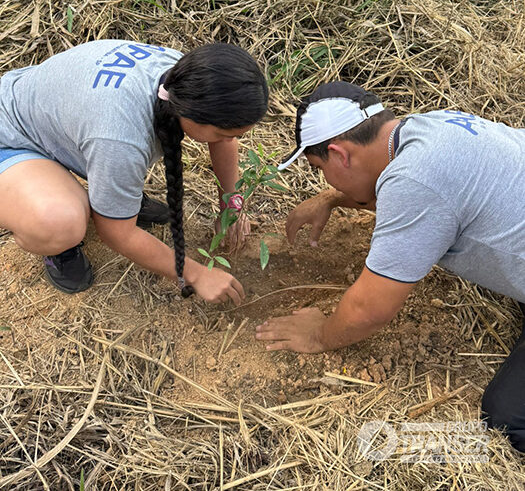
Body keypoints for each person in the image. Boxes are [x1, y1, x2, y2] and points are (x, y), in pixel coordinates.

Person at [256, 81, 525, 452]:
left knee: (508, 420)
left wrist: (318, 335)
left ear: (339, 154)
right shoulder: (431, 126)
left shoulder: (415, 181)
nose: (324, 179)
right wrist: (331, 198)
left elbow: (370, 310)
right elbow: (416, 192)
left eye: (320, 169)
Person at [0, 39, 268, 304]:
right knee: (59, 222)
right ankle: (58, 245)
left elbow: (224, 140)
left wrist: (231, 206)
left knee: (113, 165)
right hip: (9, 136)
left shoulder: (187, 78)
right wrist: (197, 275)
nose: (230, 139)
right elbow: (116, 233)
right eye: (224, 133)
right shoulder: (120, 136)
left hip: (51, 114)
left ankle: (114, 199)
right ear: (191, 114)